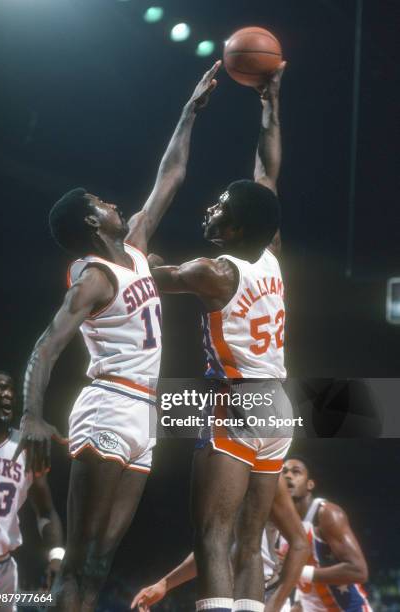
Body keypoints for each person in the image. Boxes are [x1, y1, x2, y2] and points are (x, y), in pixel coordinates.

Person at [13, 61, 221, 612]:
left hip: (144, 414)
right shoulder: (92, 274)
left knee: (101, 564)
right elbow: (47, 342)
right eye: (100, 203)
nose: (111, 203)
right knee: (79, 561)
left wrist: (188, 113)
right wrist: (32, 414)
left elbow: (169, 179)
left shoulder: (132, 245)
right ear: (89, 223)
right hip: (107, 405)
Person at [149, 63, 292, 612]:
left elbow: (146, 276)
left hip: (236, 399)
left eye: (219, 209)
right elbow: (267, 174)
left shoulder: (213, 271)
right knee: (250, 545)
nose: (210, 210)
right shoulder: (272, 254)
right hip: (279, 405)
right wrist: (270, 104)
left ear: (232, 229)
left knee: (211, 534)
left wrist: (153, 262)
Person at [131, 474, 309, 611]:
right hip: (223, 593)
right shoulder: (220, 475)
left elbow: (300, 544)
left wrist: (273, 608)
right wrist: (165, 583)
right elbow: (214, 548)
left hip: (262, 594)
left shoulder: (269, 476)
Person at [0, 371, 64, 612]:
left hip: (3, 570)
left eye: (12, 389)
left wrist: (56, 557)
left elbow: (46, 510)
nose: (8, 393)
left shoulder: (27, 449)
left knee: (49, 601)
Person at [281, 457, 372, 611]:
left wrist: (297, 571)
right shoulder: (281, 521)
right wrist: (297, 603)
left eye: (296, 472)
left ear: (309, 484)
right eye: (283, 473)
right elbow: (305, 583)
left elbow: (359, 571)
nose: (288, 476)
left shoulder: (326, 513)